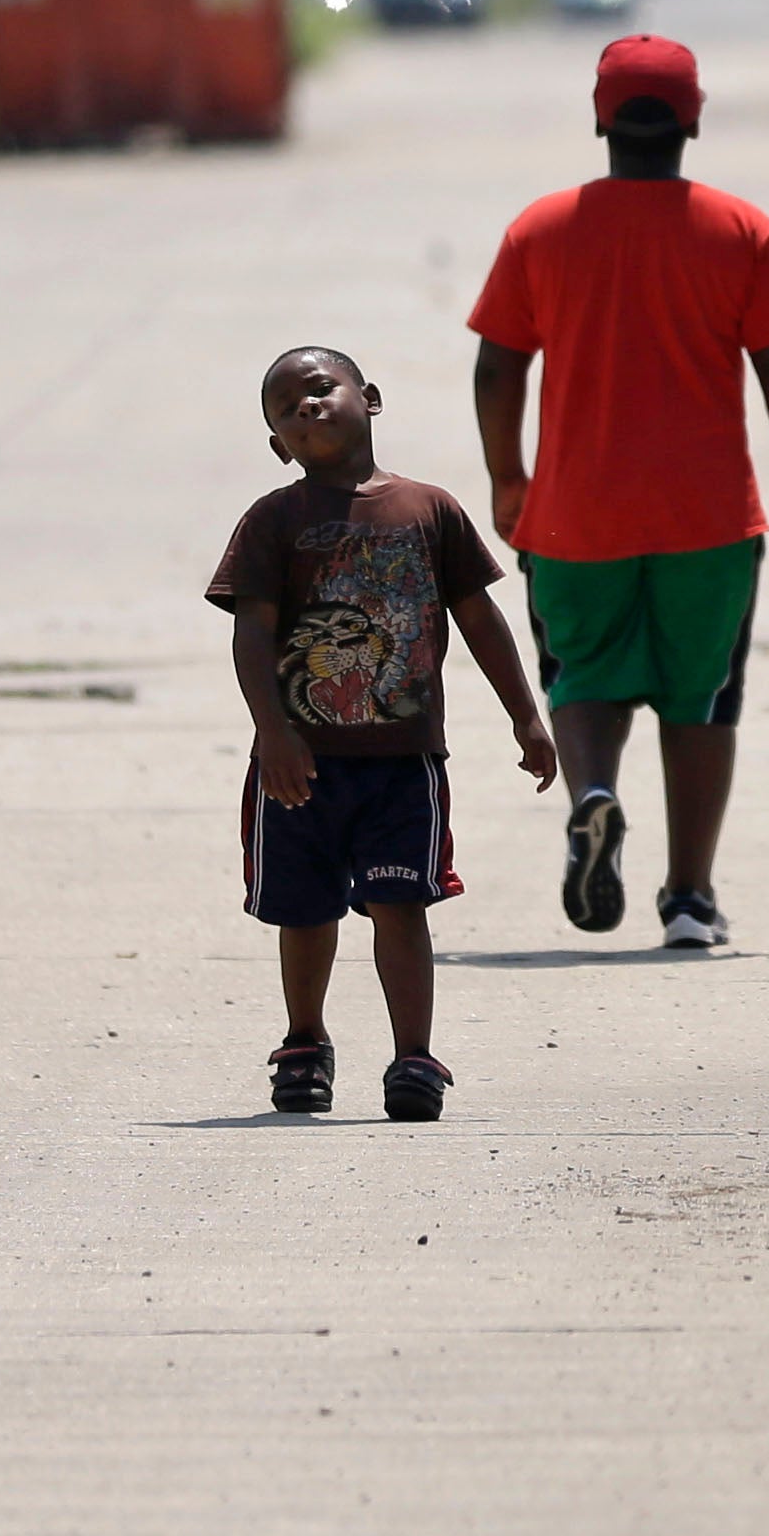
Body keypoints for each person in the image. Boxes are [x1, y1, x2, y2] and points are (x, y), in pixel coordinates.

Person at [469, 34, 769, 952]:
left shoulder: (540, 230)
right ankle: (690, 898)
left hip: (574, 513)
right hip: (706, 518)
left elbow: (497, 365)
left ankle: (593, 795)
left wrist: (508, 475)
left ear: (599, 119)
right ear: (692, 119)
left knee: (583, 675)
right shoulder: (743, 233)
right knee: (700, 698)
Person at [208, 345, 554, 1121]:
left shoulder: (428, 508)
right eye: (285, 407)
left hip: (403, 762)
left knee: (402, 905)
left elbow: (478, 617)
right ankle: (304, 1041)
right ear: (277, 444)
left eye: (319, 388)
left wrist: (524, 714)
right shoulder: (273, 519)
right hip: (300, 760)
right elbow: (252, 635)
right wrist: (274, 732)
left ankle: (413, 1057)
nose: (306, 406)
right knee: (303, 911)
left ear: (369, 396)